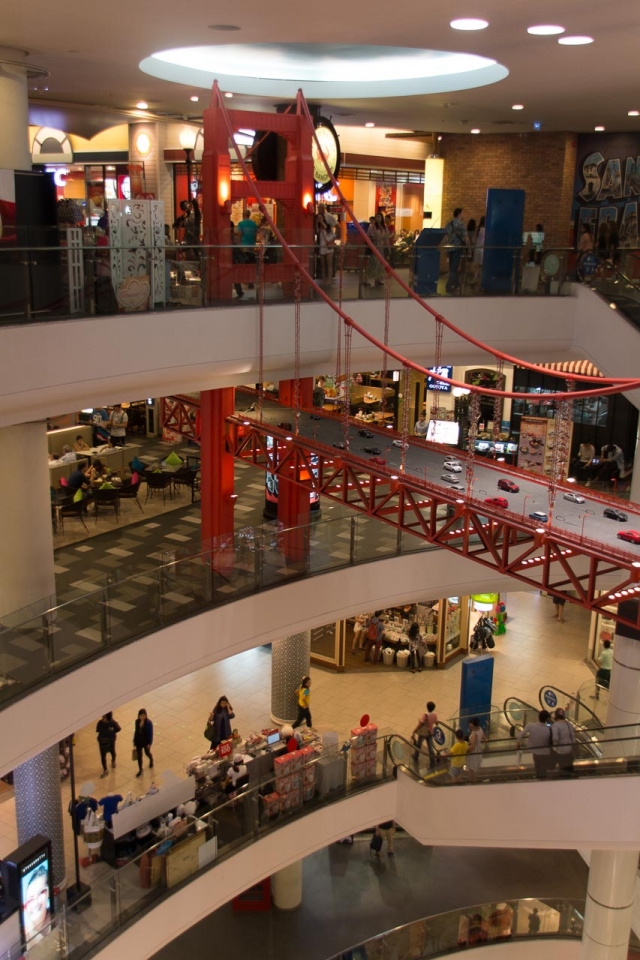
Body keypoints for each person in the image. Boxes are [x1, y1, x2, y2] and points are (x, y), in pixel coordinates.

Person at [517, 709, 553, 778]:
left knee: (537, 766)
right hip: (546, 753)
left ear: (538, 717)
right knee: (543, 768)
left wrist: (518, 743)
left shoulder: (531, 726)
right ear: (546, 719)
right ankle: (543, 778)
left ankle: (539, 778)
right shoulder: (549, 729)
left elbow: (520, 735)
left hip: (536, 752)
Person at [22, 864, 50, 944]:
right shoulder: (22, 936)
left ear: (48, 893)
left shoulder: (56, 918)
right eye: (30, 899)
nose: (36, 902)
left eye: (41, 892)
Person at [443, 207, 469, 293]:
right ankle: (448, 286)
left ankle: (457, 284)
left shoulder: (449, 223)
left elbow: (446, 235)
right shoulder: (461, 224)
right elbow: (465, 237)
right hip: (457, 248)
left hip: (449, 248)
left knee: (452, 267)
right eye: (463, 213)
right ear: (459, 214)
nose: (464, 214)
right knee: (454, 267)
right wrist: (469, 248)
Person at [365, 212, 390, 286]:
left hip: (381, 248)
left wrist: (388, 248)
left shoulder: (384, 227)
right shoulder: (372, 227)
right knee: (372, 264)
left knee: (380, 264)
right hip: (374, 247)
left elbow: (386, 238)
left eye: (379, 217)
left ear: (382, 218)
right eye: (376, 217)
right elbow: (367, 237)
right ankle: (367, 280)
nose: (378, 218)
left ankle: (378, 279)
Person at [412, 700, 438, 767]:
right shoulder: (435, 715)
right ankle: (432, 761)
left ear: (427, 707)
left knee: (419, 745)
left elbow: (420, 724)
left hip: (423, 733)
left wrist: (414, 731)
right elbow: (436, 723)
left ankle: (415, 756)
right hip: (430, 732)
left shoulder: (425, 715)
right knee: (430, 748)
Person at [96, 710, 121, 777]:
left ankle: (113, 760)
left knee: (112, 752)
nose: (103, 718)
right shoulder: (100, 723)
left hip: (110, 742)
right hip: (102, 742)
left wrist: (112, 734)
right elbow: (98, 730)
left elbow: (118, 729)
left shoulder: (113, 723)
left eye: (104, 717)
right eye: (103, 716)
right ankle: (105, 770)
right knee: (103, 756)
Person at [551, 707, 575, 776]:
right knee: (569, 768)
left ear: (556, 715)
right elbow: (573, 738)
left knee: (562, 769)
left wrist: (554, 747)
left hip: (561, 751)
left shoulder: (555, 725)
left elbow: (555, 738)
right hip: (569, 751)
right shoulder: (569, 724)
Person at [133, 707, 154, 777]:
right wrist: (134, 740)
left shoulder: (148, 723)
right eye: (141, 716)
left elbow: (150, 734)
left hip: (145, 742)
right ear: (139, 716)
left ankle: (151, 759)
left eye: (144, 715)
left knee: (147, 753)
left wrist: (149, 743)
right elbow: (136, 732)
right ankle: (140, 769)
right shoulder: (137, 722)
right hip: (138, 741)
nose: (142, 717)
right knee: (139, 756)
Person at [316, 214, 335, 283]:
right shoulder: (319, 226)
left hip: (328, 246)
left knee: (329, 265)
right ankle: (324, 279)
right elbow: (317, 232)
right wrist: (317, 223)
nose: (319, 218)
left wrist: (322, 222)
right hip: (322, 247)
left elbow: (327, 229)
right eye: (318, 218)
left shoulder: (327, 225)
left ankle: (329, 280)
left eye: (320, 217)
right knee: (323, 265)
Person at [470, 215, 485, 285]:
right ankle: (478, 281)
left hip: (477, 248)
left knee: (477, 266)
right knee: (481, 267)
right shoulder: (487, 229)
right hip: (483, 249)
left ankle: (475, 280)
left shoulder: (477, 229)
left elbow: (473, 240)